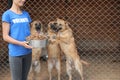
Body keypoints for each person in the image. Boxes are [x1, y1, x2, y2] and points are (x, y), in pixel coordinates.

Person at [2, 0, 32, 80]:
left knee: (24, 78)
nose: (23, 0)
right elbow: (5, 36)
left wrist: (37, 39)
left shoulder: (26, 14)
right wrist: (21, 43)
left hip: (28, 52)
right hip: (16, 53)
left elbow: (29, 33)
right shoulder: (7, 14)